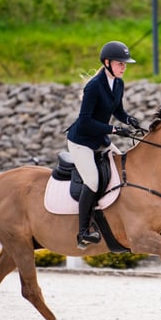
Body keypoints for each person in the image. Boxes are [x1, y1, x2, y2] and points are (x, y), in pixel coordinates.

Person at [66, 40, 141, 249]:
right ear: (107, 62)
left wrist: (128, 120)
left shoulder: (118, 83)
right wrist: (115, 130)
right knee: (93, 181)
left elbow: (117, 110)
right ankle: (82, 232)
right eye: (120, 63)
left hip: (100, 139)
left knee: (123, 167)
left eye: (125, 64)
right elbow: (85, 121)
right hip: (81, 141)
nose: (124, 67)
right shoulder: (94, 86)